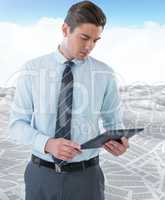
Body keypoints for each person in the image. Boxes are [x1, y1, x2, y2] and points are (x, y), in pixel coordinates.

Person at [8, 1, 129, 200]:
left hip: (87, 178)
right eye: (84, 38)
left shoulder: (104, 74)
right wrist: (47, 144)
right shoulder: (32, 70)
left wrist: (118, 142)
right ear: (65, 29)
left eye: (96, 40)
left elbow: (113, 123)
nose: (89, 46)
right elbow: (16, 125)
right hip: (41, 176)